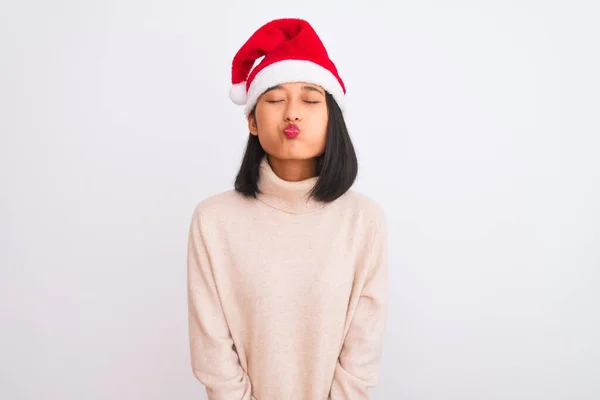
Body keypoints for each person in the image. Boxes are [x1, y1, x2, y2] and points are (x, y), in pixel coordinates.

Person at [186, 17, 389, 400]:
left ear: (333, 119)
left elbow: (362, 355)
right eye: (275, 99)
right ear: (251, 119)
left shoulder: (364, 221)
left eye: (311, 100)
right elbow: (213, 354)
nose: (292, 113)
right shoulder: (213, 220)